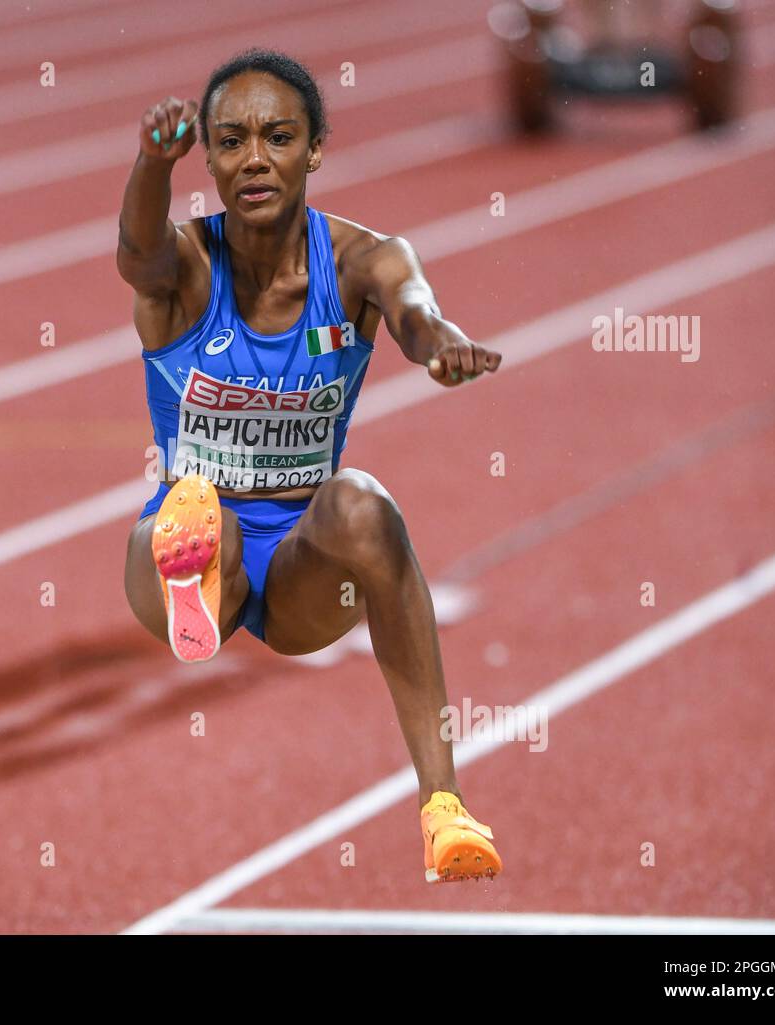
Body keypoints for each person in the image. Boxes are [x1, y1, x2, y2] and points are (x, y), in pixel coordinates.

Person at [116, 48, 503, 883]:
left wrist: (438, 344)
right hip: (184, 537)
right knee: (199, 513)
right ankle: (199, 584)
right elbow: (137, 255)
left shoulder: (365, 260)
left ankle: (445, 807)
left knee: (363, 502)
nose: (253, 158)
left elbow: (414, 307)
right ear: (208, 159)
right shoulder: (183, 268)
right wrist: (152, 162)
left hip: (299, 561)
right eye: (229, 142)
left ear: (316, 148)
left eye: (278, 136)